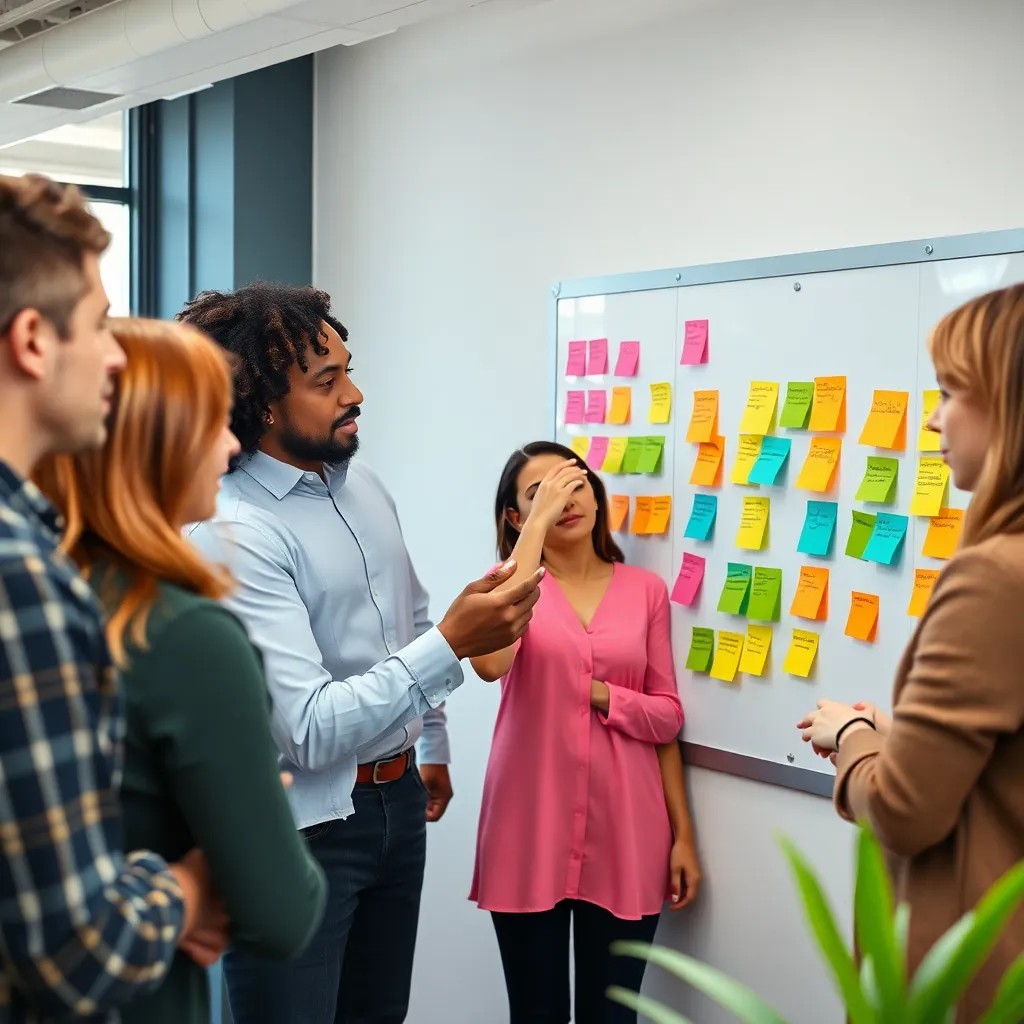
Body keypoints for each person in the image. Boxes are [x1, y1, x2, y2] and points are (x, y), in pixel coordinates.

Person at [180, 282, 544, 1024]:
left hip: (397, 800)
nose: (356, 393)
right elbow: (308, 730)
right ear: (264, 406)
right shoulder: (236, 530)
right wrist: (453, 643)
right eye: (328, 380)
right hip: (302, 829)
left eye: (348, 368)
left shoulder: (363, 485)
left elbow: (408, 619)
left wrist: (431, 744)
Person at [34, 317, 329, 1023]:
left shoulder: (41, 598)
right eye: (212, 425)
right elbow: (283, 913)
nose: (230, 448)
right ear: (157, 445)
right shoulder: (186, 635)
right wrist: (201, 880)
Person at [0, 174, 225, 1020]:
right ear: (31, 340)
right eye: (97, 324)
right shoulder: (21, 581)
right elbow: (76, 956)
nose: (117, 355)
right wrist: (192, 882)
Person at [798, 284, 1024, 1023]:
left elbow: (901, 813)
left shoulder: (995, 574)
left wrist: (855, 739)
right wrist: (900, 739)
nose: (932, 418)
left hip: (973, 977)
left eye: (951, 391)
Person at [470, 441, 702, 1024]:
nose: (564, 499)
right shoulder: (503, 591)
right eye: (540, 494)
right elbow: (491, 663)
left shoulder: (645, 591)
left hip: (628, 829)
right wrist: (529, 544)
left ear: (596, 495)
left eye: (573, 483)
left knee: (613, 1016)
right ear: (515, 517)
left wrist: (684, 837)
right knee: (536, 1013)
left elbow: (667, 718)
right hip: (529, 827)